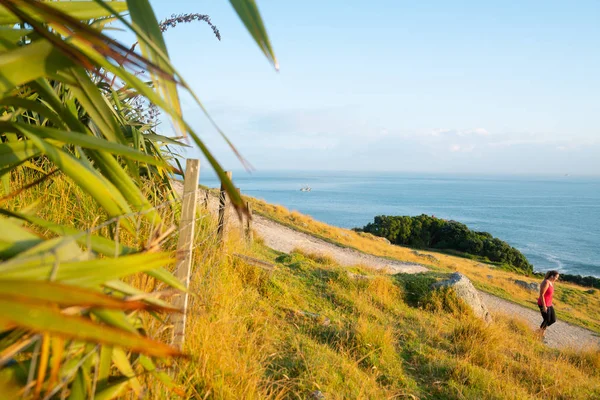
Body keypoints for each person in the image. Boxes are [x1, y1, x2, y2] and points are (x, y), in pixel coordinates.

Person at [537, 270, 560, 337]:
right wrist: (544, 306)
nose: (557, 279)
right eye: (556, 277)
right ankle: (540, 334)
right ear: (552, 276)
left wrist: (551, 303)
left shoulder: (551, 282)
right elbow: (541, 295)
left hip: (549, 304)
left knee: (553, 320)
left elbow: (549, 295)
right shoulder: (546, 282)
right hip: (543, 304)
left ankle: (539, 331)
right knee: (546, 320)